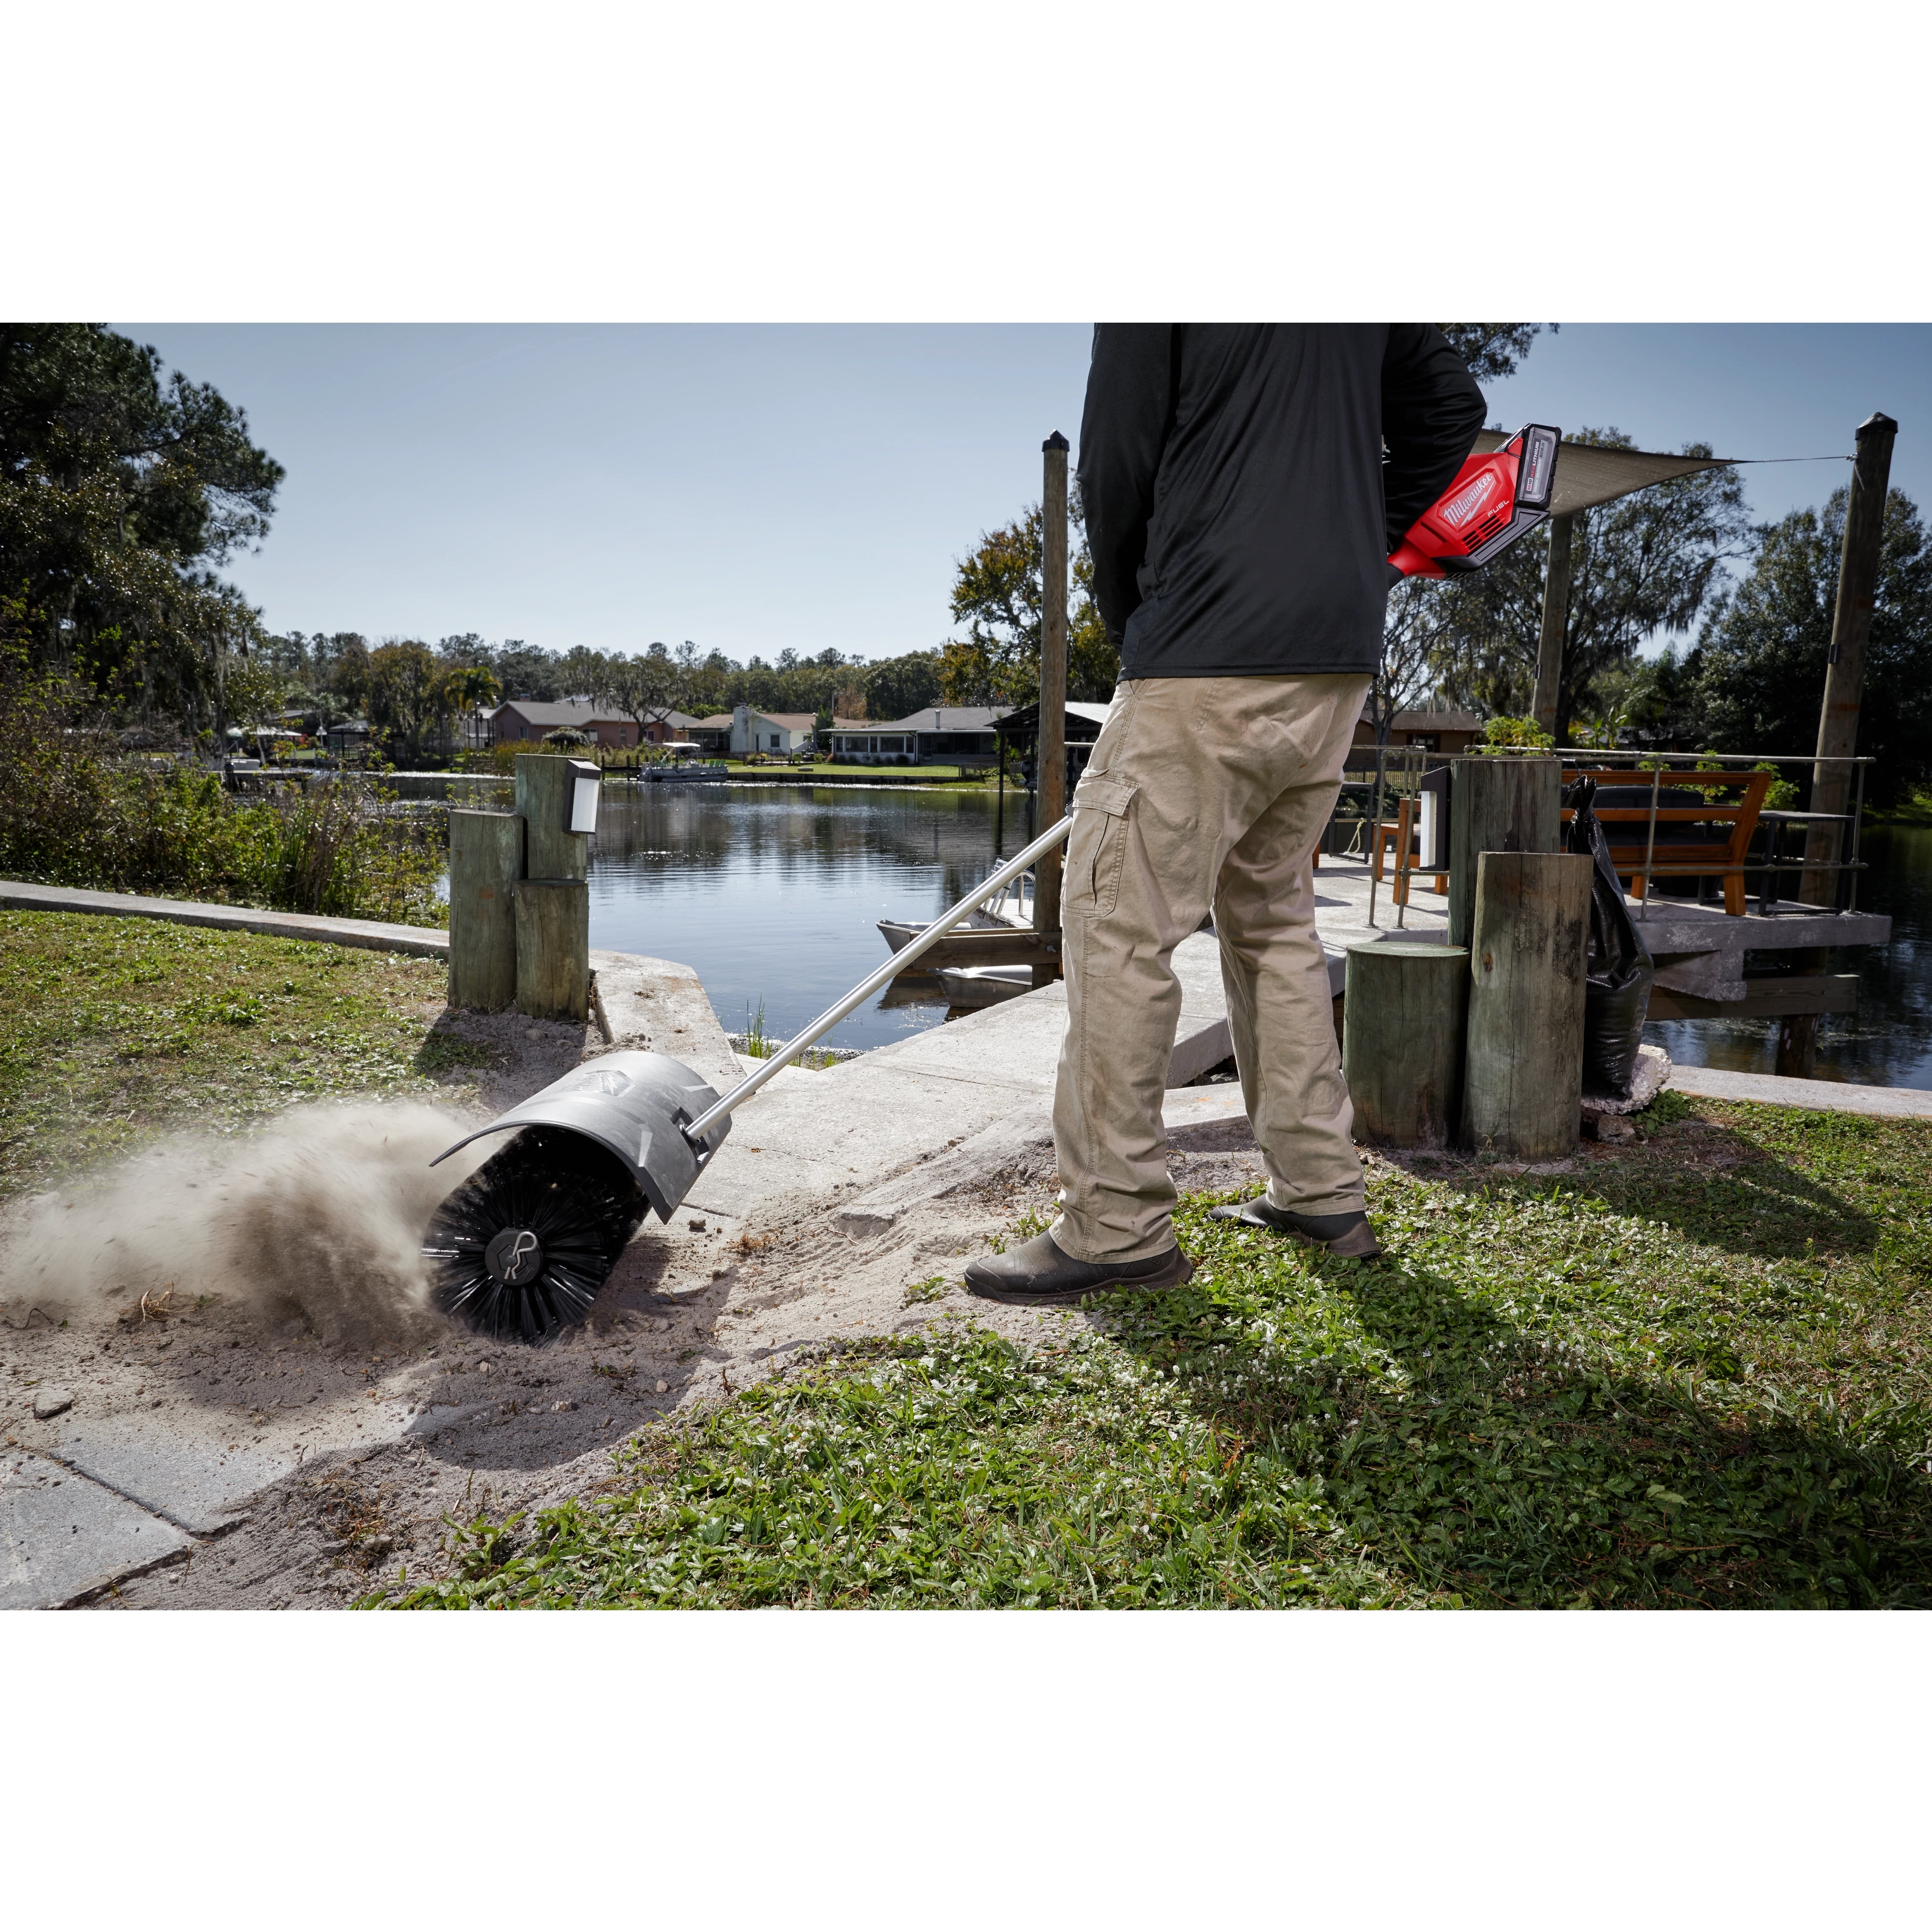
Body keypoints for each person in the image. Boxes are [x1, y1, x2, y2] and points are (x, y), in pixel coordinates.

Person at [966, 323, 1485, 1304]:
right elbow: (1451, 408)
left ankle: (1114, 1226)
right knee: (1274, 919)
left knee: (1115, 927)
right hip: (1333, 650)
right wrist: (1361, 541)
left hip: (1205, 637)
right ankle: (1320, 1193)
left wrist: (1135, 616)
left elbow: (1115, 462)